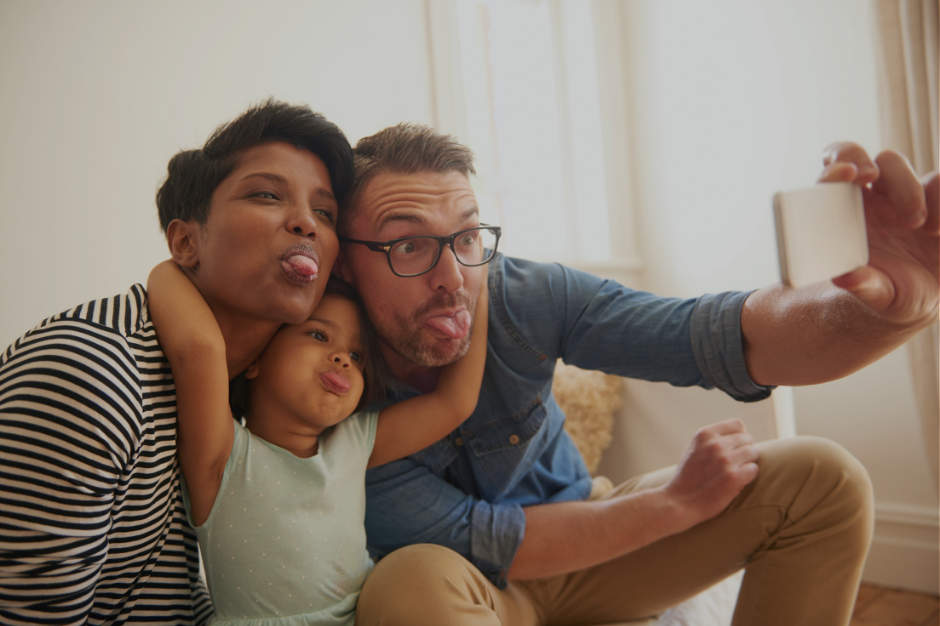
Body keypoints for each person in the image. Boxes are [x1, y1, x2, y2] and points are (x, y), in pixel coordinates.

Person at [331, 123, 939, 626]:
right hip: (472, 588)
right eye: (408, 246)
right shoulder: (320, 380)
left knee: (824, 479)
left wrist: (884, 309)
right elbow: (491, 540)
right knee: (407, 584)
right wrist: (673, 503)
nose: (452, 277)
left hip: (598, 542)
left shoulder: (521, 293)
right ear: (344, 263)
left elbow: (718, 337)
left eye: (466, 236)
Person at [0, 99, 354, 624]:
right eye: (266, 194)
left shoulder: (240, 397)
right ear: (185, 242)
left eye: (324, 212)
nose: (306, 222)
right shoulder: (91, 371)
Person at [144, 264, 488, 625]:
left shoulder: (355, 443)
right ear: (254, 359)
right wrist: (174, 259)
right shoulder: (222, 455)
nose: (342, 359)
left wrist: (475, 284)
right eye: (319, 336)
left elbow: (455, 402)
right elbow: (199, 347)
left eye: (357, 356)